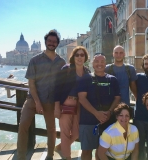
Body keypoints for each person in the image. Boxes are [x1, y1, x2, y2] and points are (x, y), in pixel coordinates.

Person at [17, 30, 66, 160]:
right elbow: (31, 83)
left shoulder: (61, 62)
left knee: (51, 129)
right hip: (33, 99)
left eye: (54, 41)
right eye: (49, 41)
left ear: (57, 44)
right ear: (45, 42)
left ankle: (50, 156)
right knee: (23, 126)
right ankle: (21, 156)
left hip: (51, 101)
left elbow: (62, 85)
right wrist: (38, 102)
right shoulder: (35, 60)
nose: (51, 43)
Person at [77, 53, 121, 160]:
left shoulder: (113, 79)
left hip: (107, 120)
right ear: (92, 63)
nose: (99, 64)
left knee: (101, 151)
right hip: (88, 121)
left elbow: (117, 98)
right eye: (96, 61)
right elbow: (82, 98)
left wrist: (110, 112)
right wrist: (96, 113)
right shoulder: (85, 78)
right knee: (86, 151)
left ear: (106, 63)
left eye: (102, 61)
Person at [53, 46, 90, 160]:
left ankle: (61, 147)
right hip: (66, 102)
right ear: (73, 57)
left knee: (77, 132)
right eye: (77, 55)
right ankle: (67, 157)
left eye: (82, 55)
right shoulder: (66, 69)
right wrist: (56, 107)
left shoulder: (87, 71)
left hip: (80, 105)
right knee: (64, 132)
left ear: (85, 57)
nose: (79, 57)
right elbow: (57, 88)